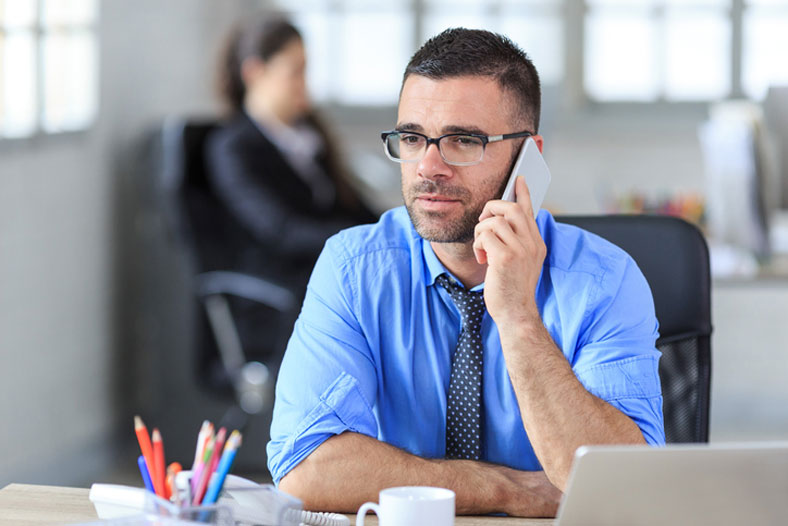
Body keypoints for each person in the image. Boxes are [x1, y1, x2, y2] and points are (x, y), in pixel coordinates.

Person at [267, 28, 664, 517]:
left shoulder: (605, 280)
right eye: (412, 138)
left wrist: (518, 315)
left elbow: (626, 488)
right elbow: (304, 467)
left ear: (529, 156)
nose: (429, 167)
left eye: (462, 140)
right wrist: (506, 490)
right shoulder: (353, 269)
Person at [207, 15, 377, 292]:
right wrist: (360, 240)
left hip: (328, 267)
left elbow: (353, 205)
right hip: (283, 285)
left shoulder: (307, 136)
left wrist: (398, 229)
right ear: (254, 73)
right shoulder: (232, 146)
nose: (304, 84)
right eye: (295, 72)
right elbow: (280, 231)